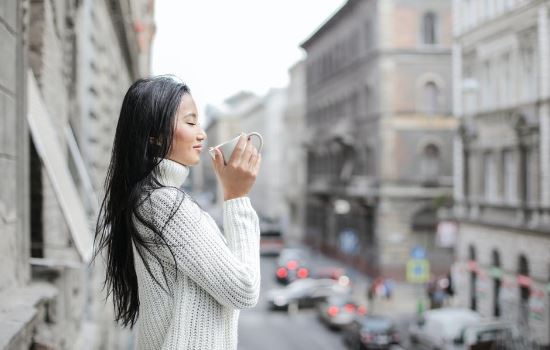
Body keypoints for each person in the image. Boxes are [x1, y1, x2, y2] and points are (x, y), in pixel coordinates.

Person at [93, 75, 262, 350]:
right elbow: (244, 289)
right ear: (155, 136)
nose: (202, 133)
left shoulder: (150, 198)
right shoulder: (165, 204)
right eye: (191, 121)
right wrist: (237, 197)